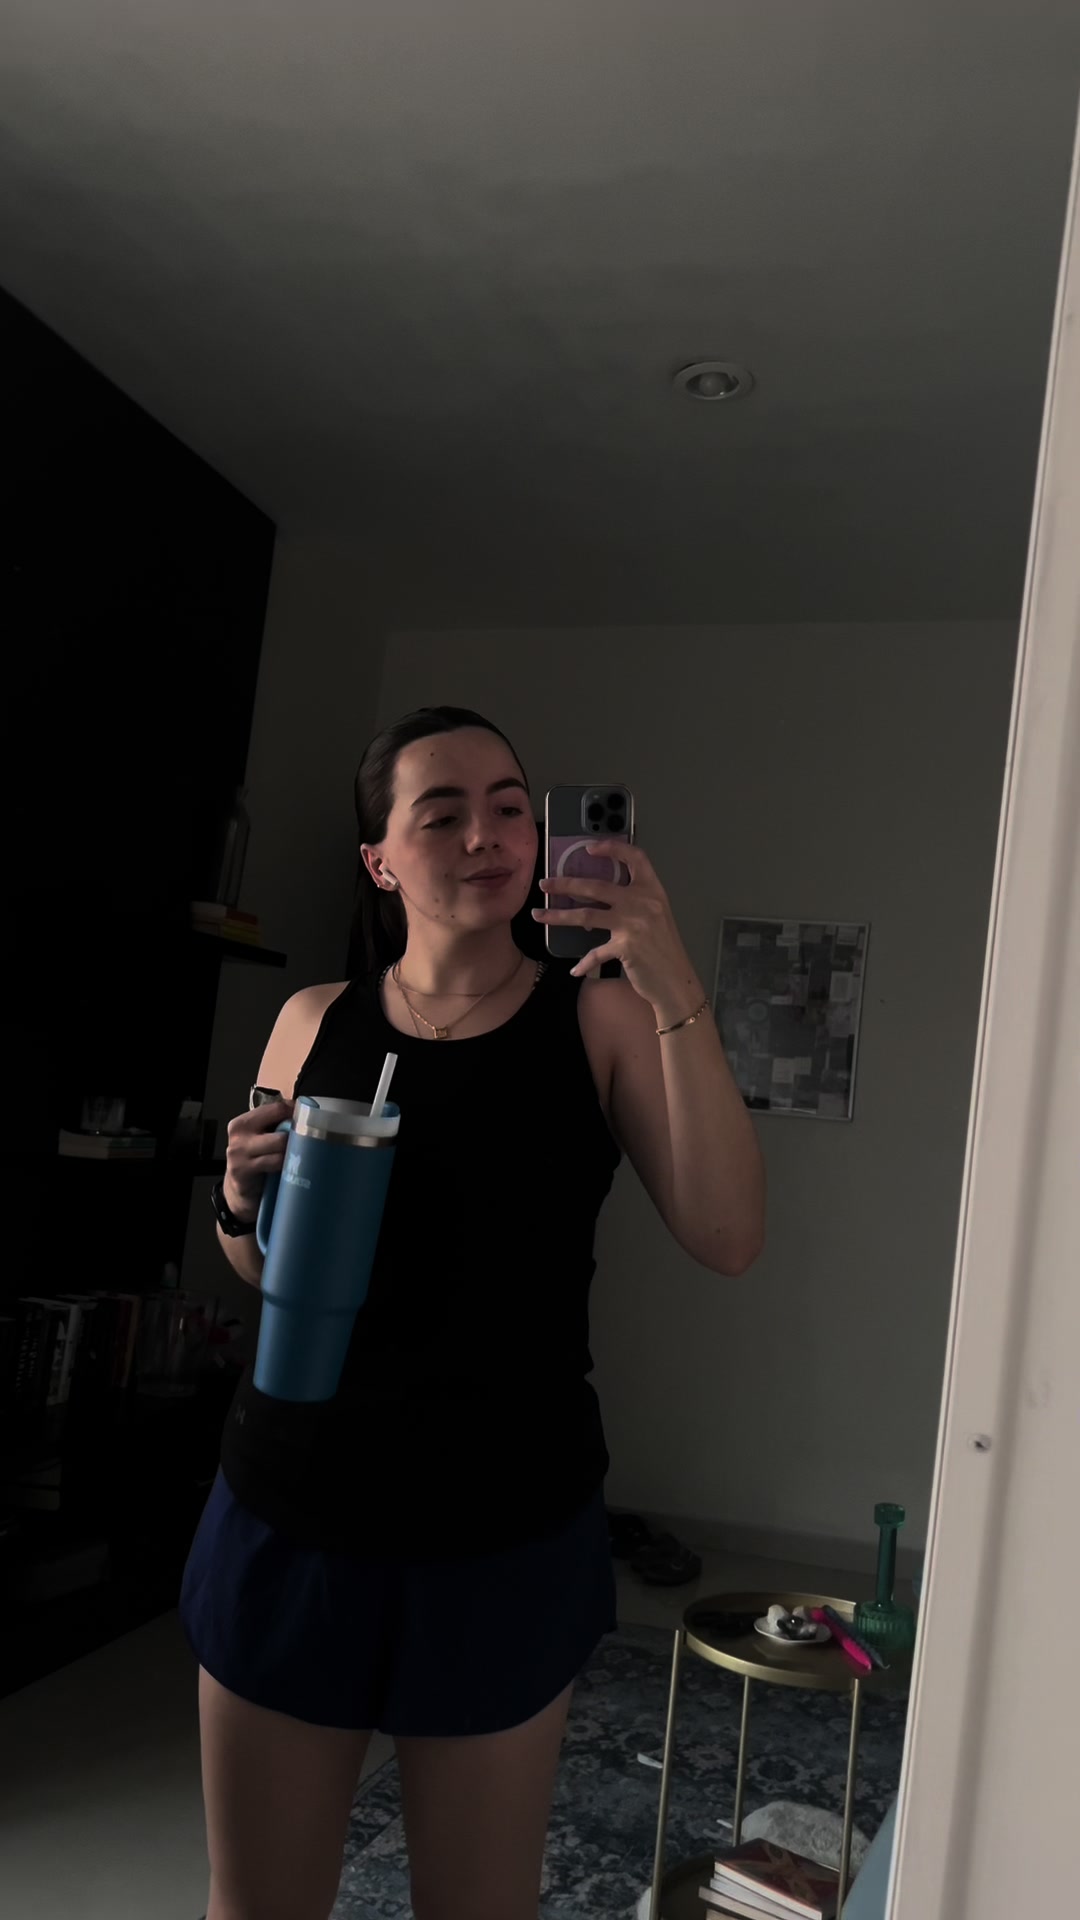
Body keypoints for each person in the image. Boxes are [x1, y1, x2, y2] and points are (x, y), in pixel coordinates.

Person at [182, 706, 764, 1920]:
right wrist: (239, 1199)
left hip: (502, 1531)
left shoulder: (598, 1019)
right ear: (380, 862)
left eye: (509, 806)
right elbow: (254, 1261)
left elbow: (728, 1235)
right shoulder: (313, 1020)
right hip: (292, 1512)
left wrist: (672, 981)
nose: (487, 835)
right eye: (441, 814)